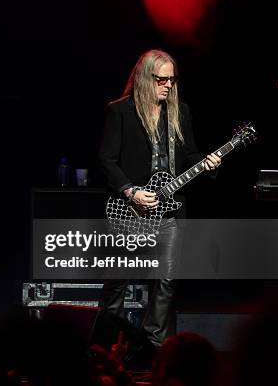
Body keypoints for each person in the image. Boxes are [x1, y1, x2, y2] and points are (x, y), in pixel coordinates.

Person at [97, 49, 220, 348]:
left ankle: (152, 347)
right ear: (144, 78)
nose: (167, 85)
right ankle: (102, 345)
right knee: (118, 281)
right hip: (132, 207)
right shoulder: (121, 111)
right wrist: (131, 191)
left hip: (169, 209)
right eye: (161, 79)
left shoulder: (180, 112)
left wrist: (207, 162)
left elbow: (189, 154)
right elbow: (107, 160)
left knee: (166, 281)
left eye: (172, 80)